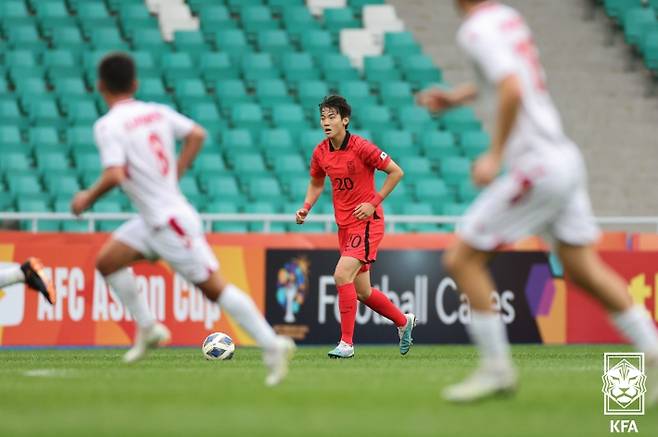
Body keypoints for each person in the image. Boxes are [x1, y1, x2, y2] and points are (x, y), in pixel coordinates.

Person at [417, 0, 658, 403]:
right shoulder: (508, 17)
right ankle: (653, 348)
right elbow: (514, 78)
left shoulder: (475, 30)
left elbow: (511, 86)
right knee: (581, 269)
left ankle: (496, 369)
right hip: (563, 157)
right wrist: (457, 99)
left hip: (538, 166)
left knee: (461, 259)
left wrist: (494, 154)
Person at [70, 53, 294, 386]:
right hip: (152, 219)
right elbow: (197, 134)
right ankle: (148, 328)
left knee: (215, 288)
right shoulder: (155, 112)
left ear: (100, 86)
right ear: (135, 83)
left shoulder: (108, 126)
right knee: (107, 261)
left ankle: (271, 344)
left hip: (169, 222)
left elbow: (115, 174)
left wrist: (87, 198)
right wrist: (176, 174)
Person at [296, 95, 416, 359]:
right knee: (362, 291)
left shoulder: (362, 147)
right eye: (322, 118)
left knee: (341, 275)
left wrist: (373, 203)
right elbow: (316, 182)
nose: (326, 122)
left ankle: (346, 344)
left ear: (345, 120)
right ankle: (403, 322)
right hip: (345, 226)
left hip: (366, 223)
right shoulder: (320, 152)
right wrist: (306, 206)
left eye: (331, 117)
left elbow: (397, 172)